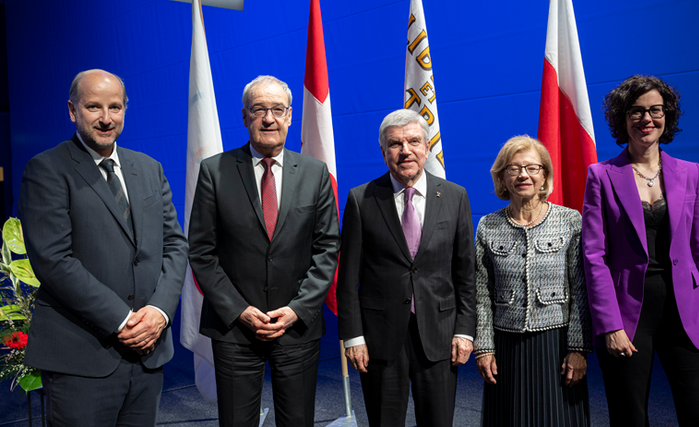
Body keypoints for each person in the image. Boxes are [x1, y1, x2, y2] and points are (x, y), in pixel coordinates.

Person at [18, 69, 188, 426]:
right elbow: (53, 261)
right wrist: (123, 321)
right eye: (94, 107)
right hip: (81, 355)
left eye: (115, 107)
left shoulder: (149, 168)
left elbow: (175, 245)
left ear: (126, 109)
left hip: (148, 352)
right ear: (72, 110)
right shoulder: (47, 170)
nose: (106, 118)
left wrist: (159, 312)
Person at [188, 75, 340, 427]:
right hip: (235, 329)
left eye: (277, 110)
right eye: (259, 110)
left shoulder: (315, 174)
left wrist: (297, 309)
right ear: (245, 117)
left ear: (289, 116)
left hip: (296, 327)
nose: (268, 118)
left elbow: (327, 247)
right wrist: (239, 310)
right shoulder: (214, 171)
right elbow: (201, 251)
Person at [582, 75, 699, 426]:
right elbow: (594, 256)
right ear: (622, 119)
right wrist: (609, 324)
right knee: (630, 417)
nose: (646, 119)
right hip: (628, 312)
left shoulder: (690, 172)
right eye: (636, 111)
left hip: (689, 308)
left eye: (655, 110)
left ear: (667, 117)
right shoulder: (601, 175)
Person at [336, 109, 476, 427]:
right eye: (395, 144)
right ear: (383, 151)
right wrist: (353, 337)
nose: (405, 150)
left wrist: (465, 331)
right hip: (379, 339)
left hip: (439, 335)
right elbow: (347, 280)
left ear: (427, 147)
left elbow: (466, 273)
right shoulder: (361, 199)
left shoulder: (455, 197)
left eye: (414, 141)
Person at [474, 135, 591, 426]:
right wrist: (484, 347)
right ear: (502, 177)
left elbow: (581, 289)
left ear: (544, 176)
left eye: (532, 168)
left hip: (556, 344)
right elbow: (480, 292)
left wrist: (578, 348)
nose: (523, 175)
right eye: (513, 168)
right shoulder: (487, 225)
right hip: (505, 346)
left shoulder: (570, 220)